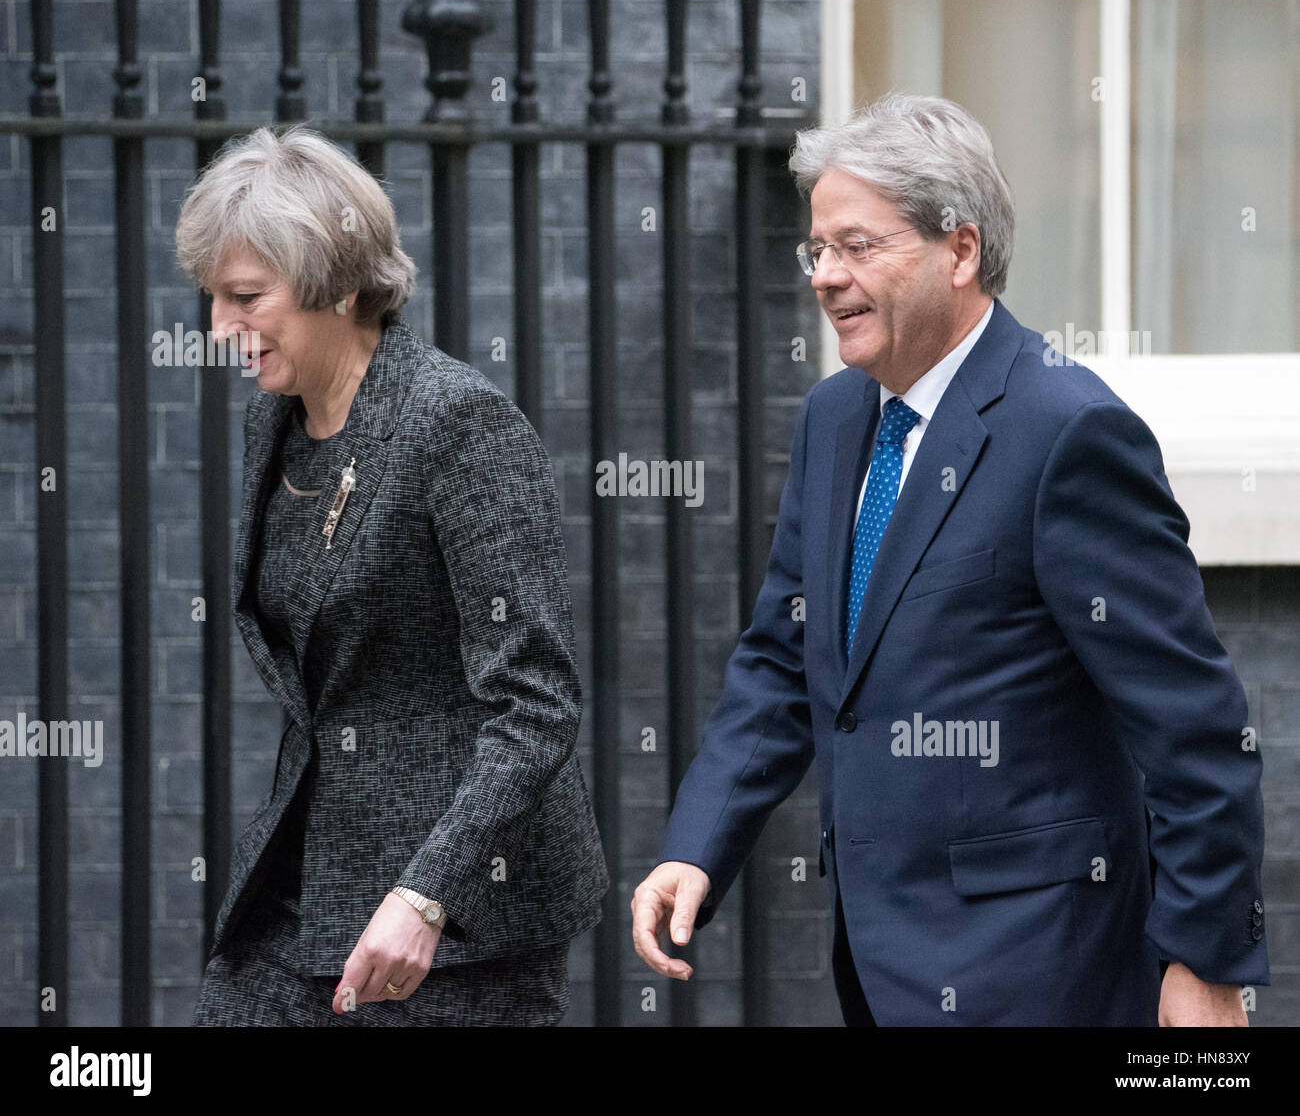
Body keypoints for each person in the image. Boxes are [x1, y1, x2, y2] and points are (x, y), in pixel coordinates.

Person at [631, 93, 1268, 1026]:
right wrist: (696, 846)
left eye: (857, 246)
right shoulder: (834, 419)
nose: (824, 275)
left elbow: (1194, 725)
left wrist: (1204, 964)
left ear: (960, 250)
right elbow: (782, 659)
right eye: (818, 249)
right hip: (881, 965)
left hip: (1041, 968)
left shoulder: (1068, 432)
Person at [177, 125, 608, 1026]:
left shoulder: (458, 427)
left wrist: (429, 893)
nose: (218, 329)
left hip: (456, 925)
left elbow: (537, 702)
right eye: (211, 298)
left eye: (245, 296)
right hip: (306, 884)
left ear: (335, 285)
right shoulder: (281, 420)